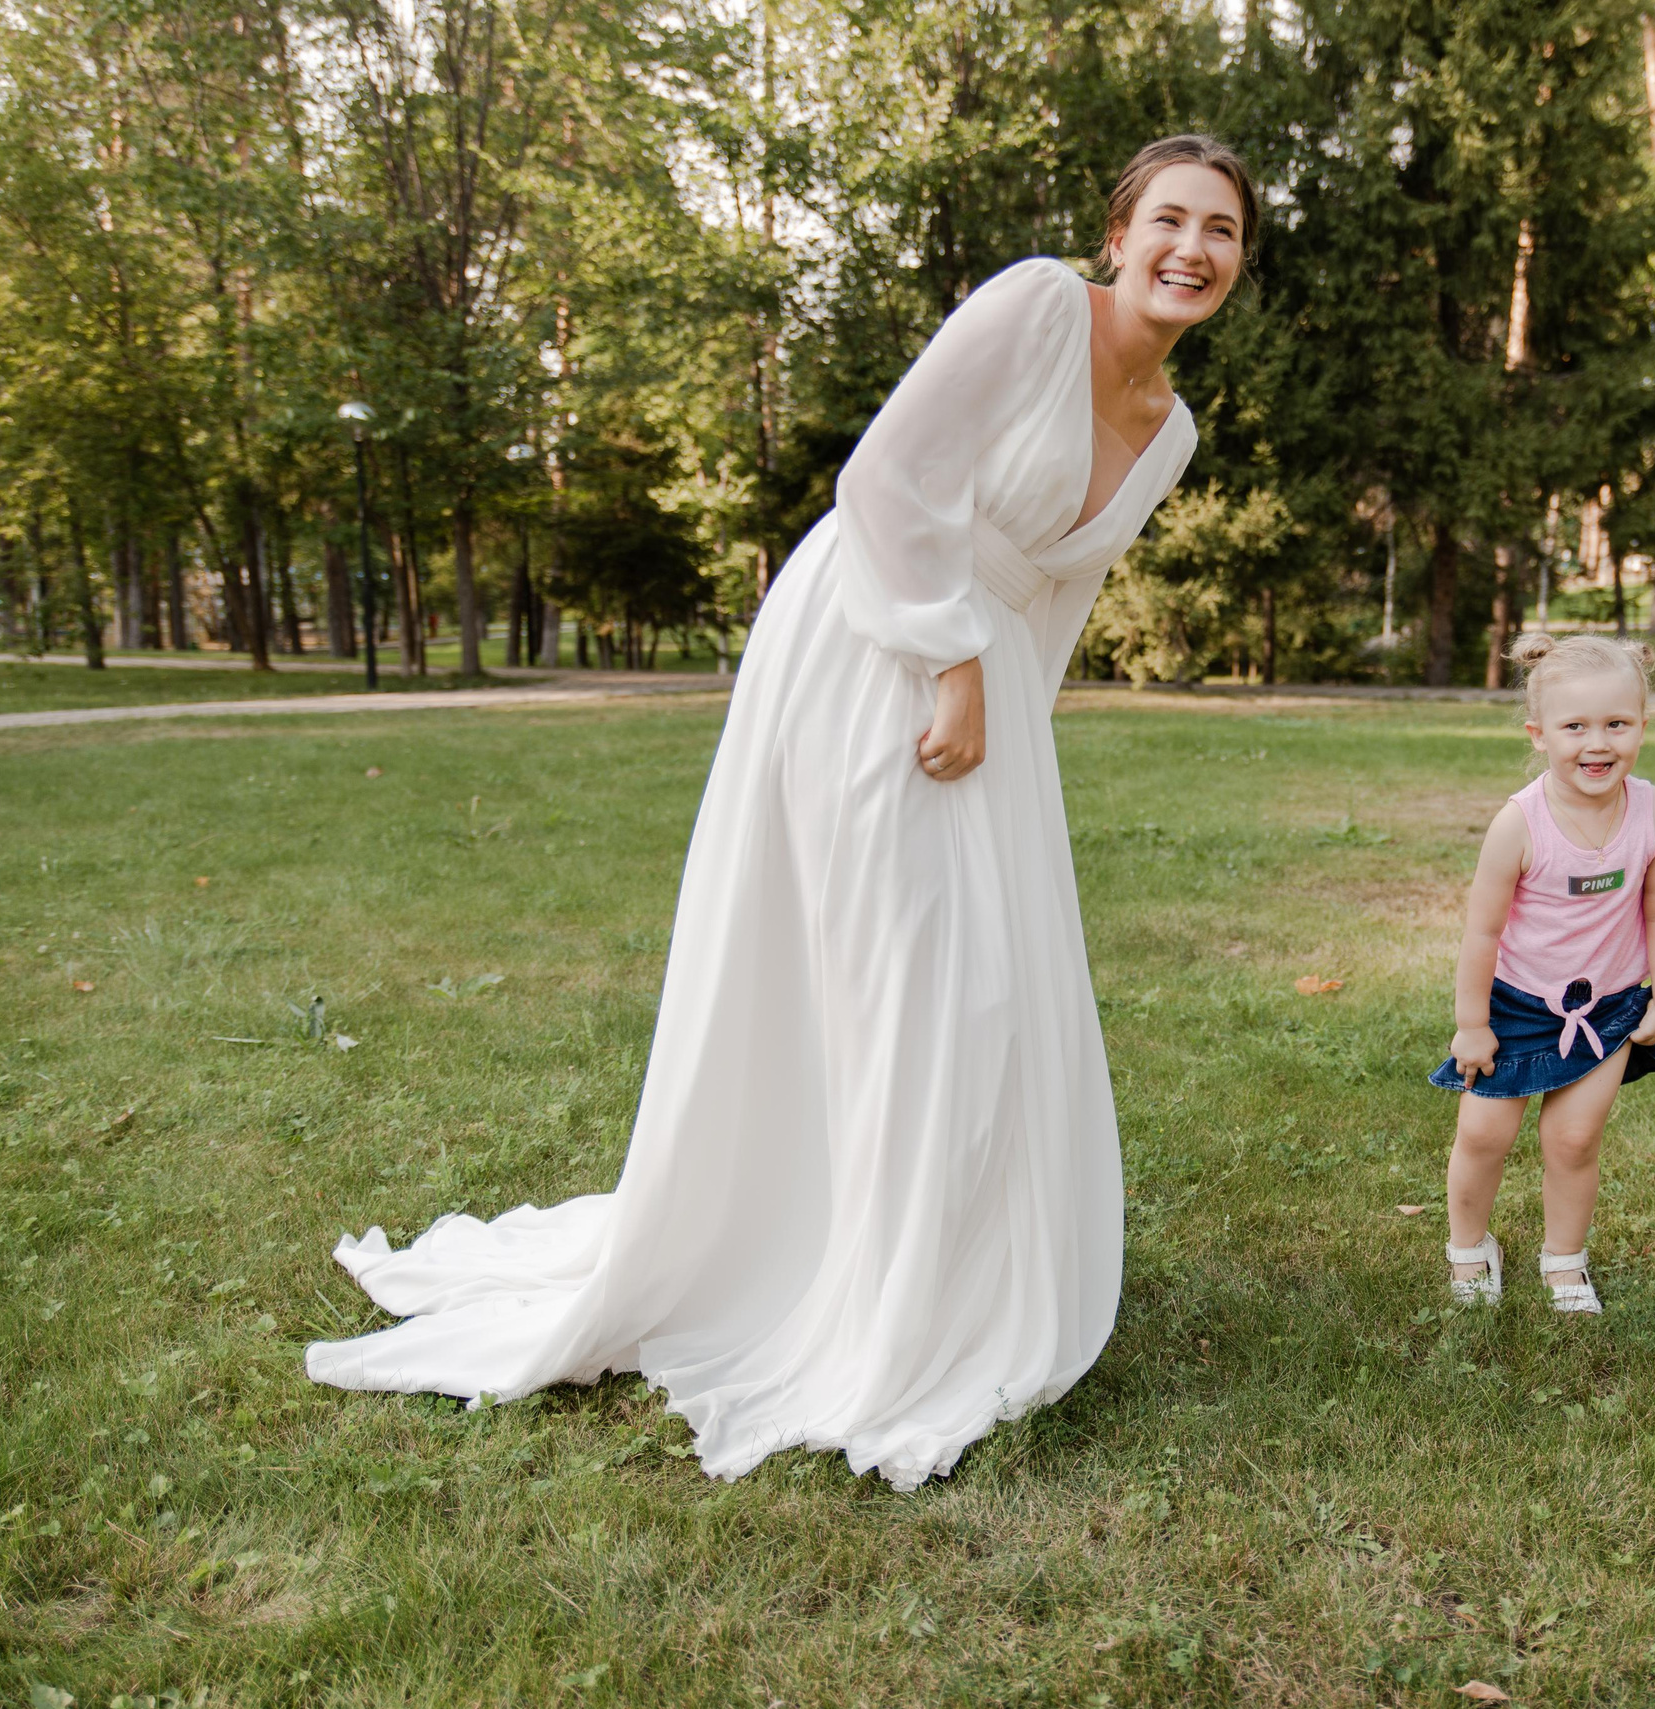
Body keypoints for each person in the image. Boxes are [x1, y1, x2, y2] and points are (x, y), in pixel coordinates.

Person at [307, 136, 1256, 1490]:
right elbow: (886, 481)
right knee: (891, 961)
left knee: (980, 981)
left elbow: (1060, 596)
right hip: (875, 632)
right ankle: (834, 1274)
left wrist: (1009, 728)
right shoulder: (1035, 304)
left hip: (980, 678)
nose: (1194, 249)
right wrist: (948, 660)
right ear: (1119, 231)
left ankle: (920, 1264)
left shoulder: (1171, 430)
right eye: (1171, 217)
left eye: (1221, 231)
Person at [1431, 633, 1655, 1314]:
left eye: (1616, 724)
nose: (1595, 743)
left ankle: (1564, 1260)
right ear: (1539, 734)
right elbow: (1482, 930)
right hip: (1514, 1007)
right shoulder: (1518, 825)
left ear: (1642, 727)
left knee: (1574, 1139)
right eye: (1574, 726)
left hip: (1606, 1008)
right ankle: (1468, 1247)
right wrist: (1472, 1024)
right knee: (1484, 1133)